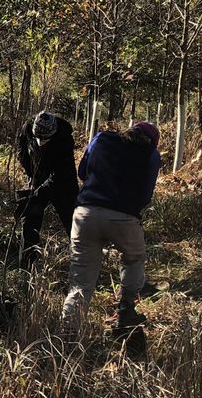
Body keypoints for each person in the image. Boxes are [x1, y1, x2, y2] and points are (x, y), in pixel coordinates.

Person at [61, 121, 162, 335]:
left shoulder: (102, 139)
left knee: (81, 280)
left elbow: (82, 172)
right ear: (152, 142)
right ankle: (126, 310)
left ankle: (68, 332)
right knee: (134, 258)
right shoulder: (151, 155)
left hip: (85, 214)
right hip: (124, 218)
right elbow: (145, 195)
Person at [15, 110, 78, 265]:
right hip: (38, 177)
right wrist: (31, 174)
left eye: (45, 139)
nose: (41, 141)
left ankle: (81, 260)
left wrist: (39, 192)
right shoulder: (27, 128)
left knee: (73, 221)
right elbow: (21, 152)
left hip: (63, 183)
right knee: (30, 217)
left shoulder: (64, 140)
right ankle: (27, 263)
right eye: (38, 138)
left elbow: (60, 174)